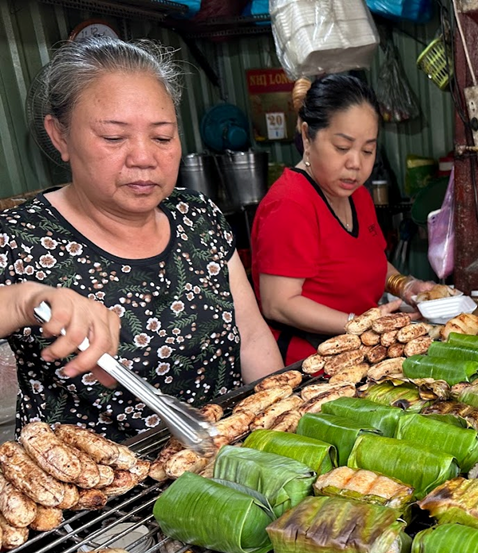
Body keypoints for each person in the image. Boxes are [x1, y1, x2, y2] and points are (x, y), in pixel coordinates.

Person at [0, 36, 282, 440]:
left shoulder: (197, 215)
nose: (144, 158)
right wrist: (22, 300)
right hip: (94, 476)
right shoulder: (18, 237)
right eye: (114, 138)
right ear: (60, 136)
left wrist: (277, 431)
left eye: (162, 137)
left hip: (225, 455)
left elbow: (252, 339)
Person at [251, 75, 435, 364]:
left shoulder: (358, 196)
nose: (356, 163)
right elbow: (279, 303)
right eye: (341, 147)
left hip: (363, 352)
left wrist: (405, 285)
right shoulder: (289, 204)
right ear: (307, 135)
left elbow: (370, 261)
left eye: (368, 150)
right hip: (311, 363)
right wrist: (359, 324)